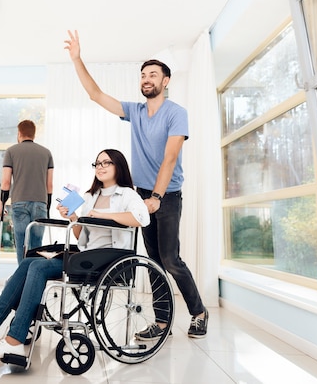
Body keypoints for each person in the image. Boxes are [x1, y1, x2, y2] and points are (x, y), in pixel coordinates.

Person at [64, 30, 209, 339]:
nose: (146, 79)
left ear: (165, 81)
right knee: (153, 261)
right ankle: (162, 323)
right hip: (140, 196)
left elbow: (170, 158)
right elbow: (96, 95)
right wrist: (77, 59)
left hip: (166, 196)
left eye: (152, 75)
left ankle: (198, 312)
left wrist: (156, 196)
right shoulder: (136, 111)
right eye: (143, 75)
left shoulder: (176, 113)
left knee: (170, 259)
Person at [0, 149, 150, 359]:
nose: (100, 167)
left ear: (118, 166)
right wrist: (74, 217)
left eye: (106, 163)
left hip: (109, 259)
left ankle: (14, 340)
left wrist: (102, 214)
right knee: (30, 261)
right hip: (87, 255)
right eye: (97, 164)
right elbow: (81, 235)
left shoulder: (128, 194)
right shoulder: (90, 196)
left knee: (38, 267)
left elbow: (141, 218)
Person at [0, 120, 54, 264]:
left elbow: (6, 182)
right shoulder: (46, 153)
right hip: (40, 203)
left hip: (19, 203)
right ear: (34, 134)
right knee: (37, 245)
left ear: (19, 133)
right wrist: (47, 207)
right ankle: (33, 276)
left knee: (22, 243)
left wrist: (2, 205)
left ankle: (22, 277)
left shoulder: (11, 151)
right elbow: (50, 185)